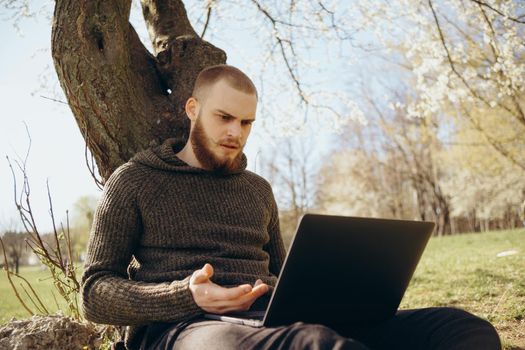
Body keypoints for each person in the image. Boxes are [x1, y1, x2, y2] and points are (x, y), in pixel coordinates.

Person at [81, 64, 501, 350]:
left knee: (462, 329)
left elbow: (286, 276)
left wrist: (342, 294)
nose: (235, 133)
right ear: (193, 109)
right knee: (312, 344)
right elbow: (94, 293)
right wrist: (186, 295)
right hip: (187, 331)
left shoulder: (257, 189)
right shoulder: (135, 181)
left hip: (273, 322)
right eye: (224, 117)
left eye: (246, 123)